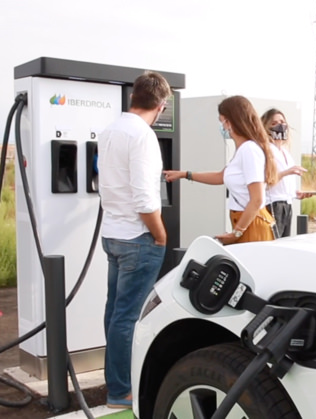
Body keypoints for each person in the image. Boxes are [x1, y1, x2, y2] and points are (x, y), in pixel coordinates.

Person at [97, 70, 171, 409]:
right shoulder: (143, 136)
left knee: (115, 313)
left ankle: (115, 382)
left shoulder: (111, 129)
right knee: (127, 317)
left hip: (112, 234)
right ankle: (121, 391)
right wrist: (160, 234)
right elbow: (145, 198)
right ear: (161, 105)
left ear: (133, 97)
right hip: (138, 238)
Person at [163, 95, 278, 244]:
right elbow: (220, 176)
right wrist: (185, 174)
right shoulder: (242, 150)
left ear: (230, 122)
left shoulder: (249, 150)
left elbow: (257, 199)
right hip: (244, 222)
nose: (222, 127)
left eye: (222, 121)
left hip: (251, 224)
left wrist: (237, 232)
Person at [260, 108, 314, 237]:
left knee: (284, 243)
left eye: (282, 122)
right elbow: (265, 181)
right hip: (273, 205)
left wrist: (296, 194)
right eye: (274, 123)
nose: (280, 126)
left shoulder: (285, 152)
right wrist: (287, 172)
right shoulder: (265, 151)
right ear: (265, 128)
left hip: (287, 205)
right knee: (273, 244)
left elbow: (282, 185)